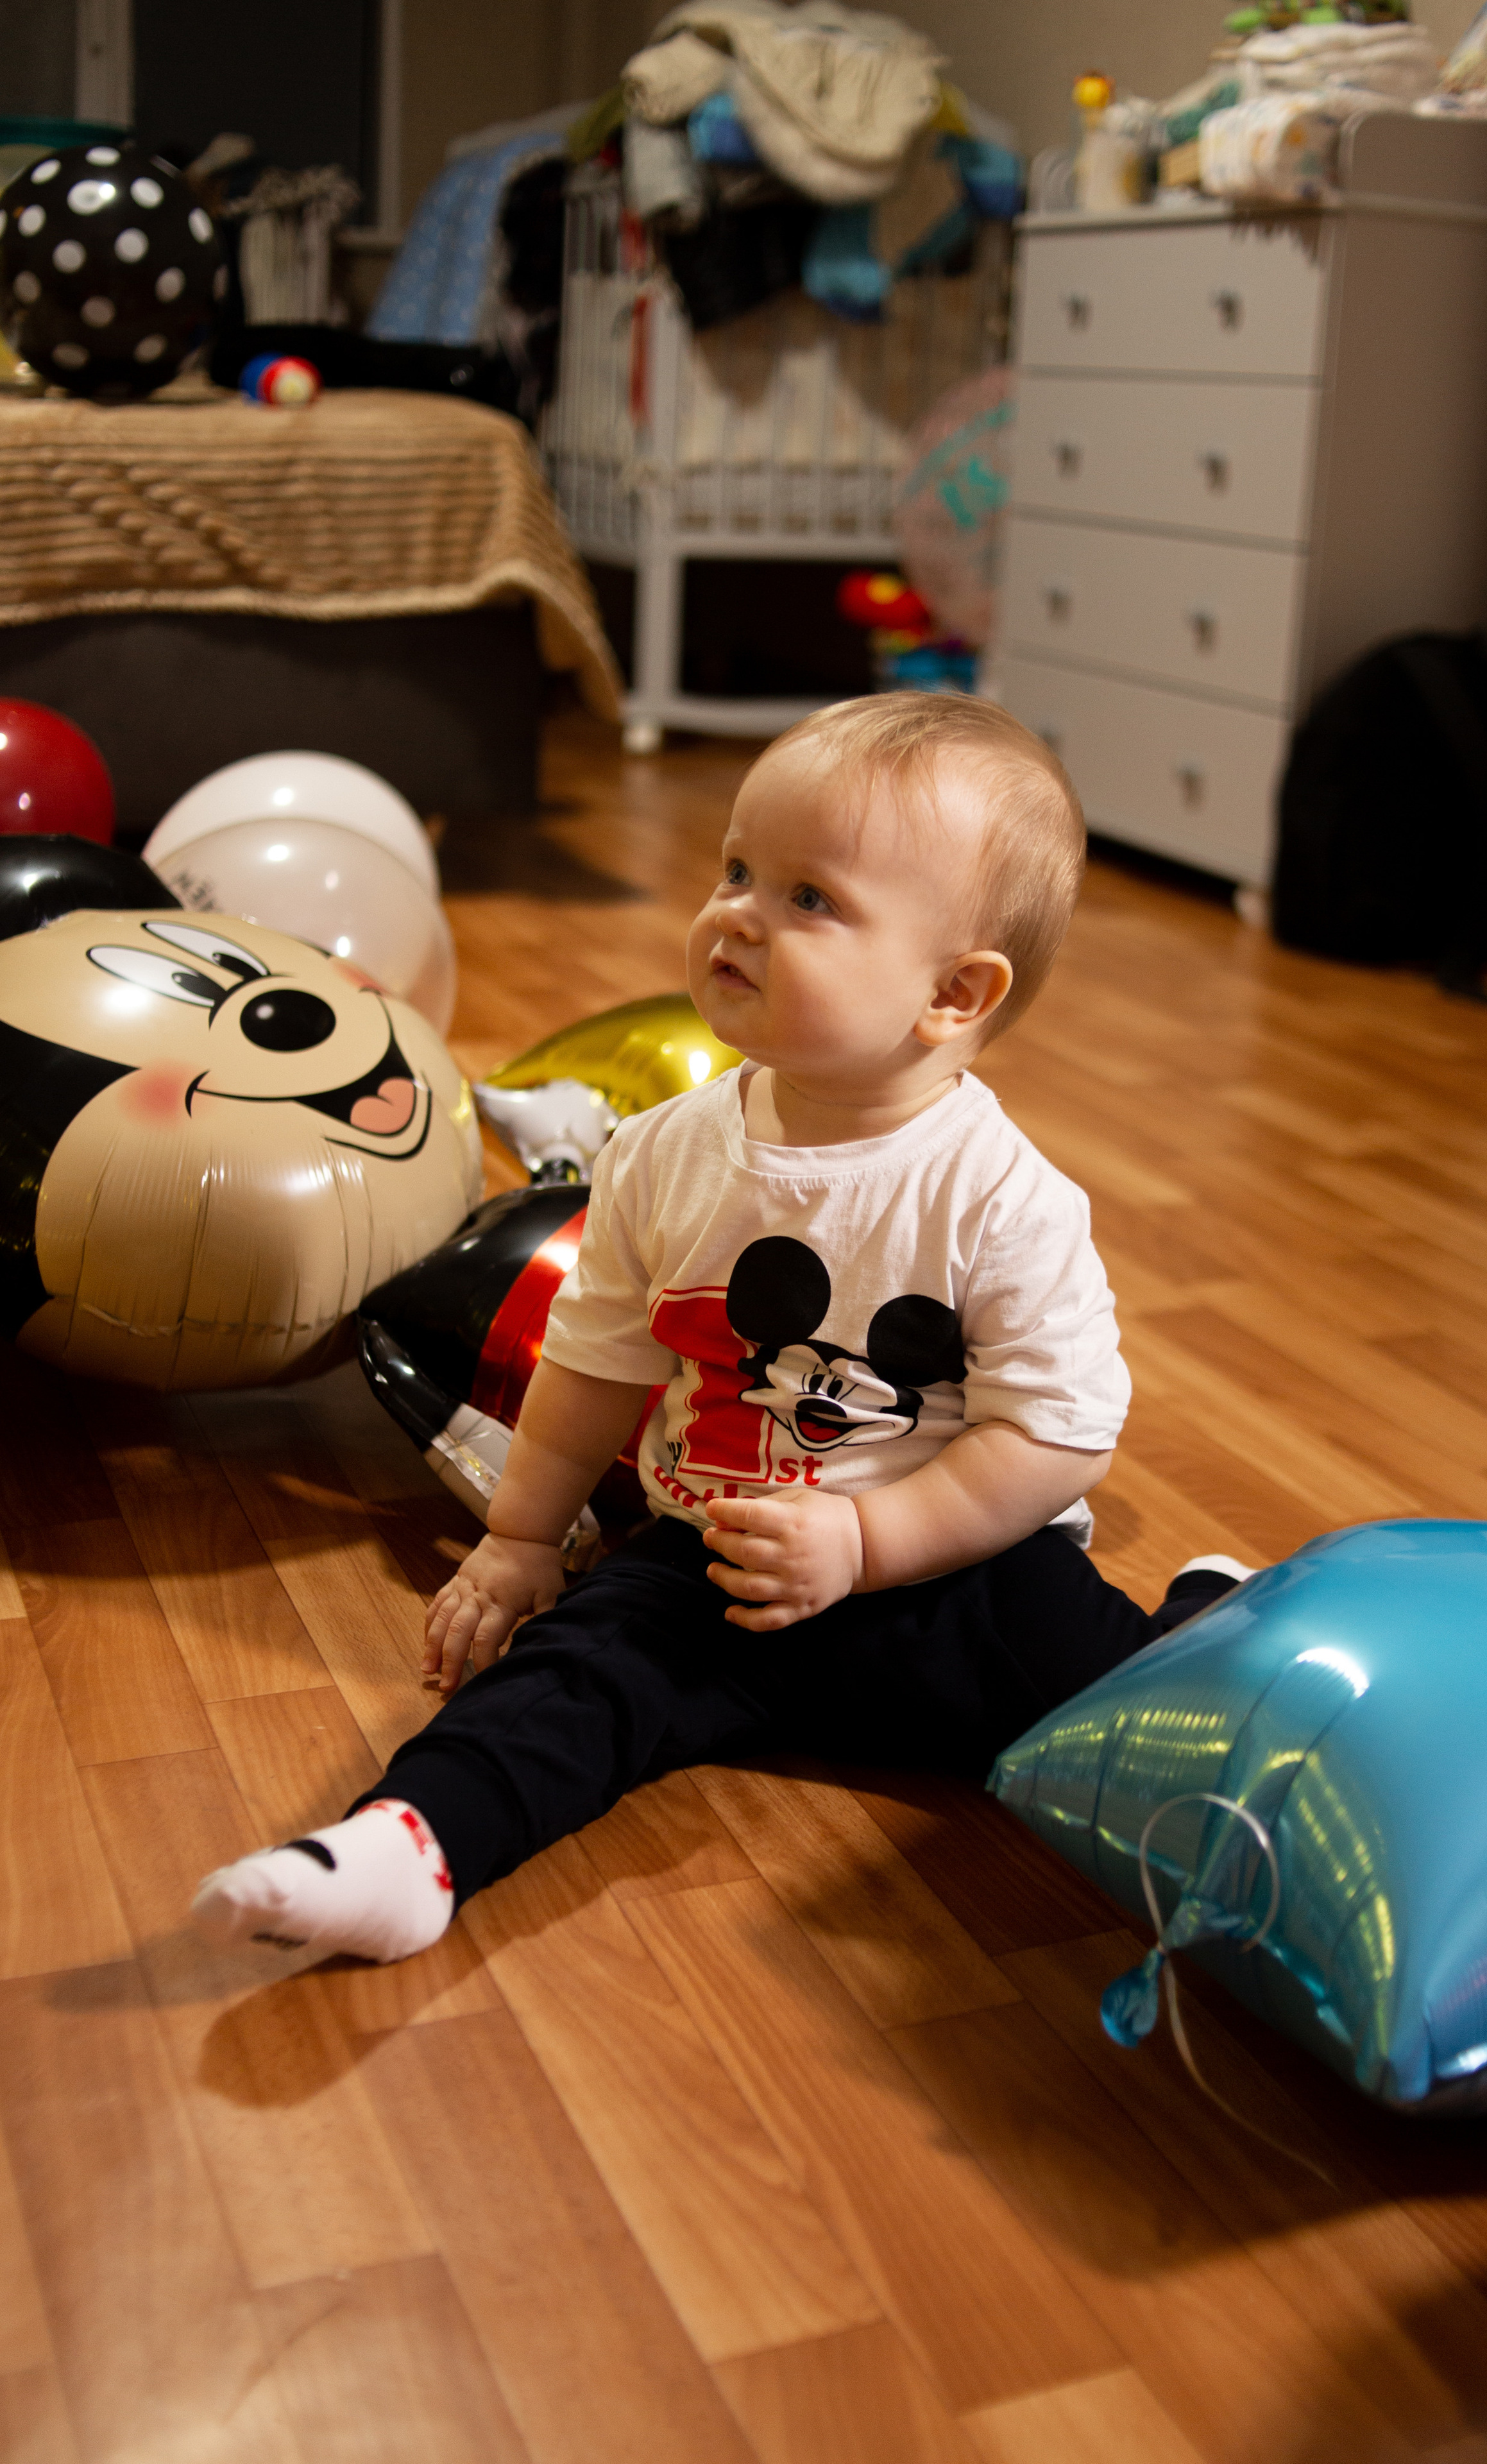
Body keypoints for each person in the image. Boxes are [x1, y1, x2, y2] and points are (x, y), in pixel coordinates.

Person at [192, 693, 1249, 1963]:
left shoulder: (1001, 1200)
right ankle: (402, 1848)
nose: (737, 912)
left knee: (1124, 1722)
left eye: (810, 898)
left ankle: (1200, 1618)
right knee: (565, 1681)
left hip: (948, 1574)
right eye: (737, 869)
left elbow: (1056, 1437)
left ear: (952, 993)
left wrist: (867, 1539)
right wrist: (522, 1539)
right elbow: (592, 1359)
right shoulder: (661, 1155)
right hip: (712, 1550)